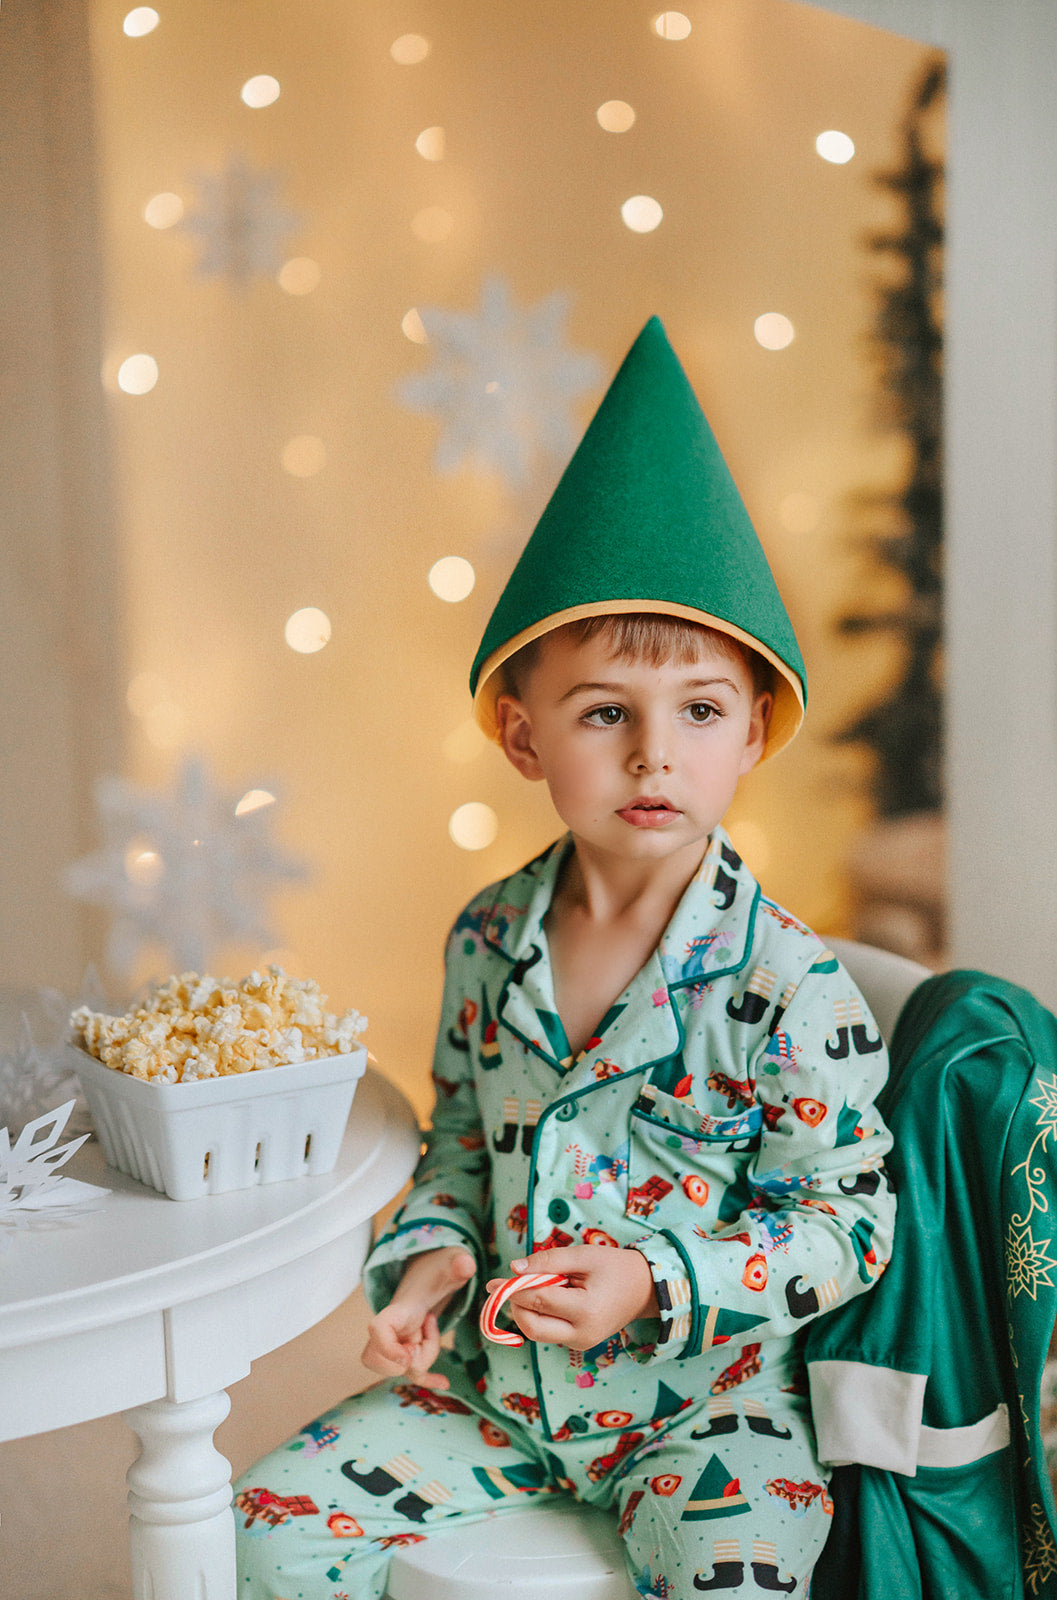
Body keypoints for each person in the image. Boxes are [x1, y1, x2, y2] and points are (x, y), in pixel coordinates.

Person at [234, 317, 896, 1599]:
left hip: (708, 1410)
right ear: (522, 736)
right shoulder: (487, 940)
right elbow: (460, 1145)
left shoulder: (789, 986)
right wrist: (429, 1258)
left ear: (752, 732)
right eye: (606, 713)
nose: (655, 755)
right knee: (256, 1527)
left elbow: (848, 1221)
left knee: (739, 1575)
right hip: (502, 1388)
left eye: (698, 711)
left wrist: (656, 1277)